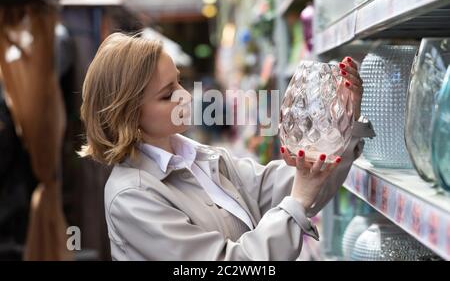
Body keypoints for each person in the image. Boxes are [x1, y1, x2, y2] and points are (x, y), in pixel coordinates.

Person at [79, 32, 375, 260]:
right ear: (128, 114)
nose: (186, 96)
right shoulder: (133, 197)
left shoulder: (200, 159)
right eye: (167, 94)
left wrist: (341, 120)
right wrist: (296, 204)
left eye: (180, 83)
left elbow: (289, 182)